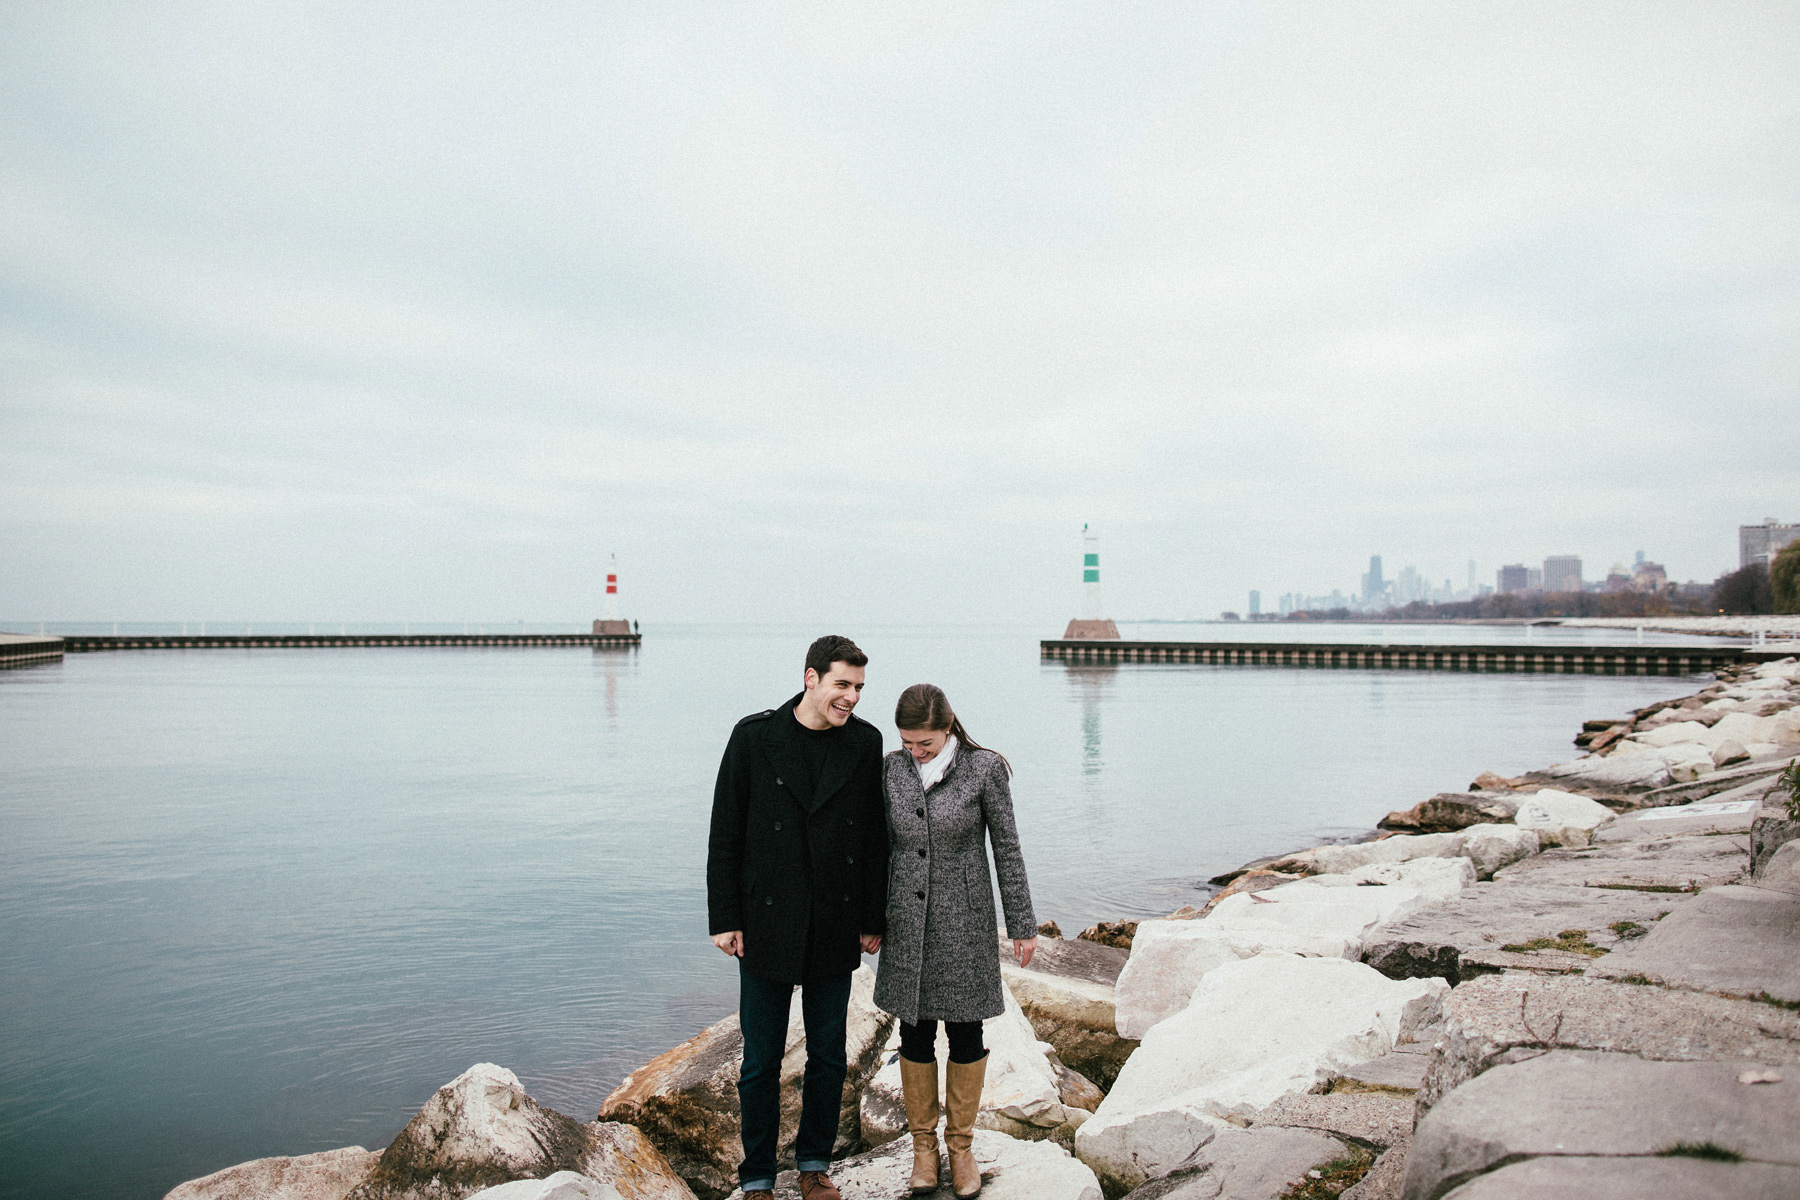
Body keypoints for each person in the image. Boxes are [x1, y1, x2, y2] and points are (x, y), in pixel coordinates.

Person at [706, 635, 889, 1200]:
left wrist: (871, 916)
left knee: (828, 1054)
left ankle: (814, 1165)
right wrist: (724, 917)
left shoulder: (865, 743)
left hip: (835, 920)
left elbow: (876, 838)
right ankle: (757, 1174)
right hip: (766, 921)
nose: (852, 698)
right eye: (843, 685)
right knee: (760, 1060)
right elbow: (725, 832)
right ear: (811, 678)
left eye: (858, 687)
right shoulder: (754, 737)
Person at [874, 684, 1036, 1199]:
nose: (914, 752)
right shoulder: (890, 769)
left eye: (923, 743)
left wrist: (1022, 923)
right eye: (907, 743)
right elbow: (876, 847)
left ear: (946, 729)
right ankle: (924, 1149)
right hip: (905, 922)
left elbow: (1007, 847)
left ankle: (960, 1147)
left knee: (966, 1034)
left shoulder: (985, 768)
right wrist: (868, 919)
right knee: (915, 1034)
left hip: (964, 922)